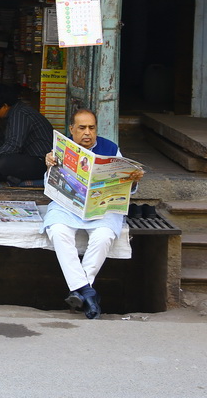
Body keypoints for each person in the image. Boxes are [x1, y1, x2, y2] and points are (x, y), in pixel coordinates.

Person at [43, 108, 144, 319]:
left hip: (102, 208)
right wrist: (49, 168)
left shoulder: (111, 149)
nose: (87, 133)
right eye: (82, 128)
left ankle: (80, 291)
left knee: (104, 236)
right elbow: (50, 186)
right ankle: (89, 293)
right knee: (58, 230)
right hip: (68, 207)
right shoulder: (61, 149)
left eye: (91, 128)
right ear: (72, 129)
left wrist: (132, 180)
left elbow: (126, 185)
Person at [0, 84, 53, 185]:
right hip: (26, 157)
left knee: (2, 163)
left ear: (5, 106)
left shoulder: (20, 114)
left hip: (42, 162)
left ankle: (21, 180)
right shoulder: (12, 114)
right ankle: (15, 178)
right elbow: (3, 146)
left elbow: (13, 146)